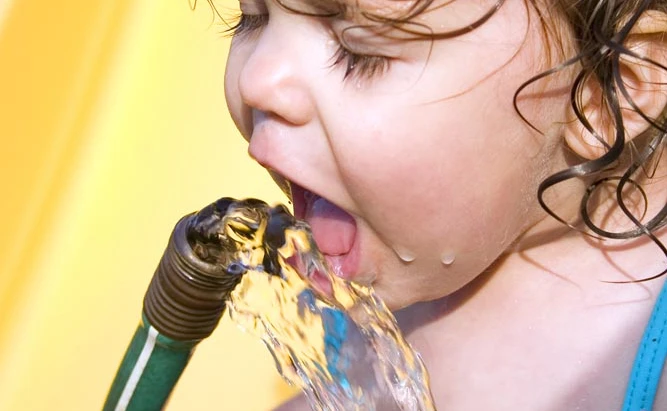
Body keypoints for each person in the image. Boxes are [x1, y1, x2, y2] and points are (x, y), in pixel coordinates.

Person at [220, 0, 667, 409]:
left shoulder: (644, 350)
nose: (255, 81)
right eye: (252, 18)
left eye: (359, 53)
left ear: (603, 92)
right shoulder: (355, 304)